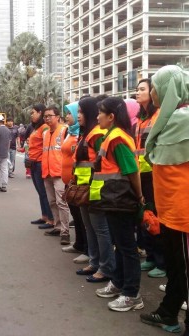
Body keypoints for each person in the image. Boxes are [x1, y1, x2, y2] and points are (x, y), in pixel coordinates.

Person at [140, 65, 189, 334]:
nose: (153, 92)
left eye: (156, 87)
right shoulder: (167, 118)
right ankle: (169, 313)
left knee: (182, 268)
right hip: (168, 210)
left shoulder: (185, 119)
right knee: (175, 266)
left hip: (184, 214)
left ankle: (171, 314)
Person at [92, 97, 144, 312]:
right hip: (113, 199)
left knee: (127, 248)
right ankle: (119, 282)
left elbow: (132, 171)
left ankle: (132, 294)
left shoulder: (117, 139)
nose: (97, 117)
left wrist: (139, 196)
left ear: (111, 116)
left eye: (100, 113)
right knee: (120, 245)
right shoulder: (111, 136)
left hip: (121, 199)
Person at [74, 96, 115, 282]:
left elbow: (103, 163)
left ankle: (106, 268)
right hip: (84, 188)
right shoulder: (87, 133)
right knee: (89, 227)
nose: (78, 116)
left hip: (95, 188)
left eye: (81, 112)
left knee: (100, 229)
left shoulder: (97, 134)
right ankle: (94, 262)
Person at [133, 80, 166, 279]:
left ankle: (162, 262)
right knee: (145, 216)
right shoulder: (140, 120)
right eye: (137, 89)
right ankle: (151, 256)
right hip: (141, 174)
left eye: (143, 89)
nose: (138, 92)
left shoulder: (159, 115)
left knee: (156, 217)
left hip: (154, 173)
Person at [60, 102, 89, 264]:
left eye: (70, 113)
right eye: (71, 113)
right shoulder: (69, 132)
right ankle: (78, 243)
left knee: (82, 217)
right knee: (76, 216)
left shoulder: (82, 135)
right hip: (69, 181)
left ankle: (86, 248)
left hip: (78, 182)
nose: (69, 116)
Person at [42, 105, 71, 245]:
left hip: (60, 173)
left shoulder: (65, 131)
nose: (47, 118)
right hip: (47, 172)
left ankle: (65, 233)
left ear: (58, 117)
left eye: (49, 116)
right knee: (52, 202)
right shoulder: (45, 133)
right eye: (45, 116)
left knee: (61, 203)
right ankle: (58, 226)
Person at [27, 104, 53, 227]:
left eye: (33, 112)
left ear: (40, 113)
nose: (31, 115)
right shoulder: (37, 128)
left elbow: (46, 146)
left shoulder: (45, 128)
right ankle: (44, 216)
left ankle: (51, 220)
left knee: (44, 192)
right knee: (40, 192)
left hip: (40, 163)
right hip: (33, 163)